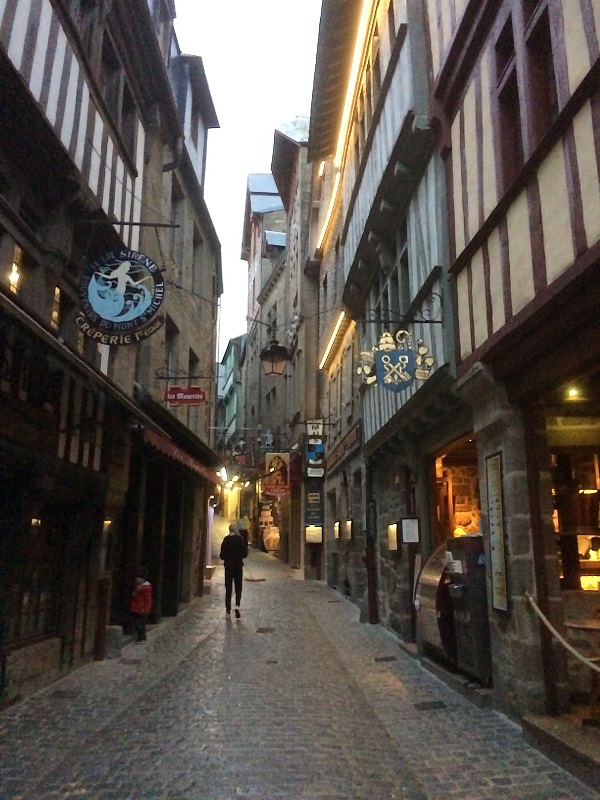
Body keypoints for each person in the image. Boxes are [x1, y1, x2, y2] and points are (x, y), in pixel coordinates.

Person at [220, 522, 248, 619]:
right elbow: (245, 554)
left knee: (228, 588)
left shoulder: (226, 540)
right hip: (238, 567)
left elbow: (222, 555)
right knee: (238, 587)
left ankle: (228, 611)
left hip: (228, 567)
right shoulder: (240, 540)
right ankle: (237, 606)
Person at [129, 568, 152, 643]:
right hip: (136, 607)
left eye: (138, 578)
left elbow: (148, 599)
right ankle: (142, 636)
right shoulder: (138, 586)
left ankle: (141, 637)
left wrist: (146, 608)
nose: (137, 579)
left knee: (140, 623)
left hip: (141, 608)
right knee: (137, 622)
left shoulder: (146, 588)